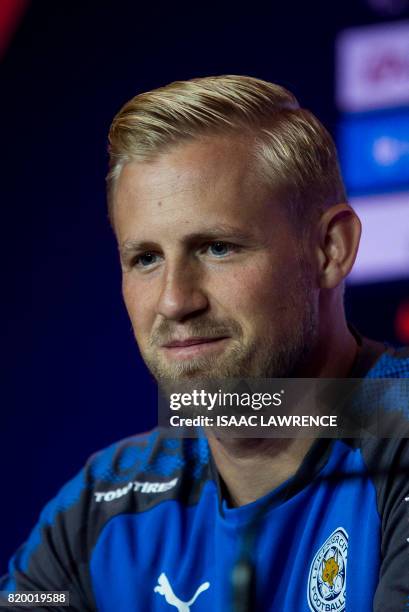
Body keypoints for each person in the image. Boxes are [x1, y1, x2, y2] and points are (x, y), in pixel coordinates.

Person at [1, 75, 408, 612]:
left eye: (217, 247)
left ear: (330, 250)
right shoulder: (102, 509)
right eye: (145, 258)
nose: (174, 301)